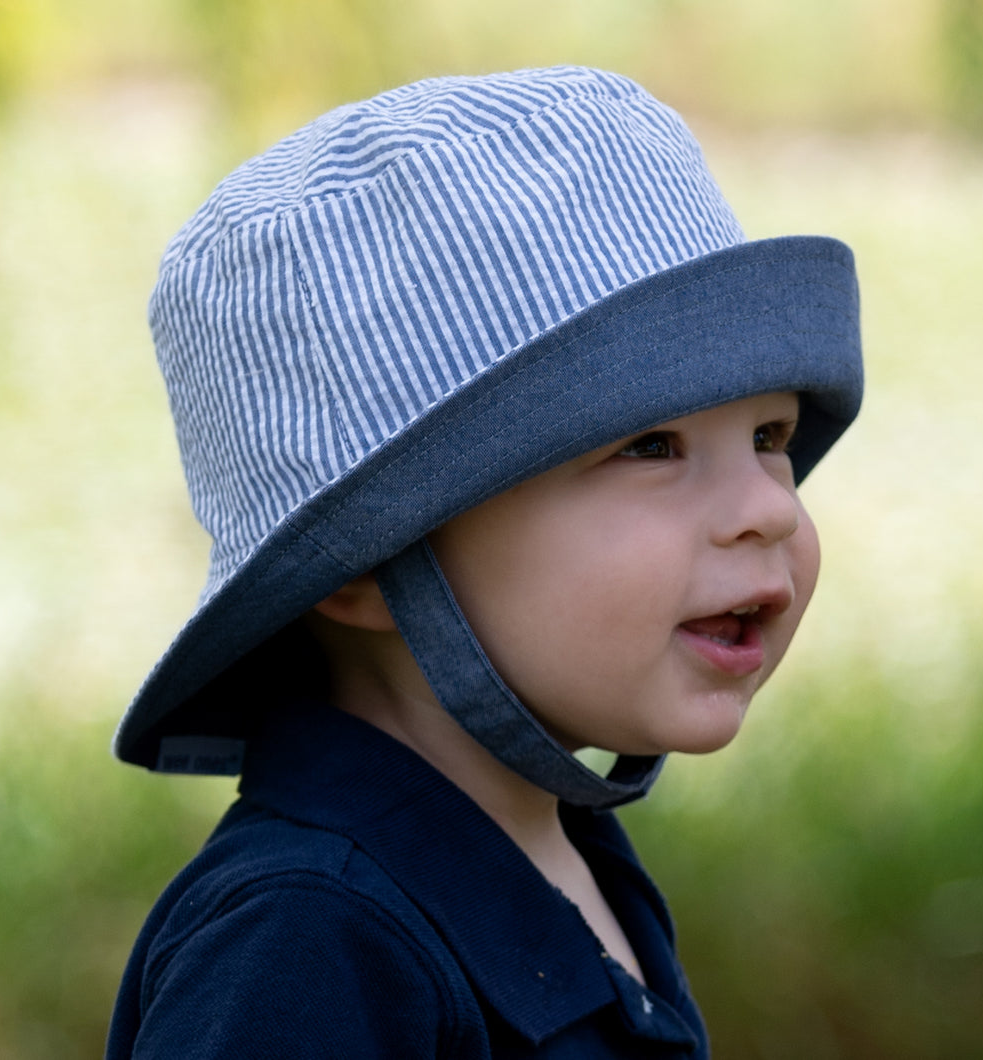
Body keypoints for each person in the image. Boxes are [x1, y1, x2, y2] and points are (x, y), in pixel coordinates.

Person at [105, 66, 862, 1058]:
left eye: (769, 433)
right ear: (363, 565)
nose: (768, 505)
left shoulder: (561, 846)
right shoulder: (304, 940)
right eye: (648, 446)